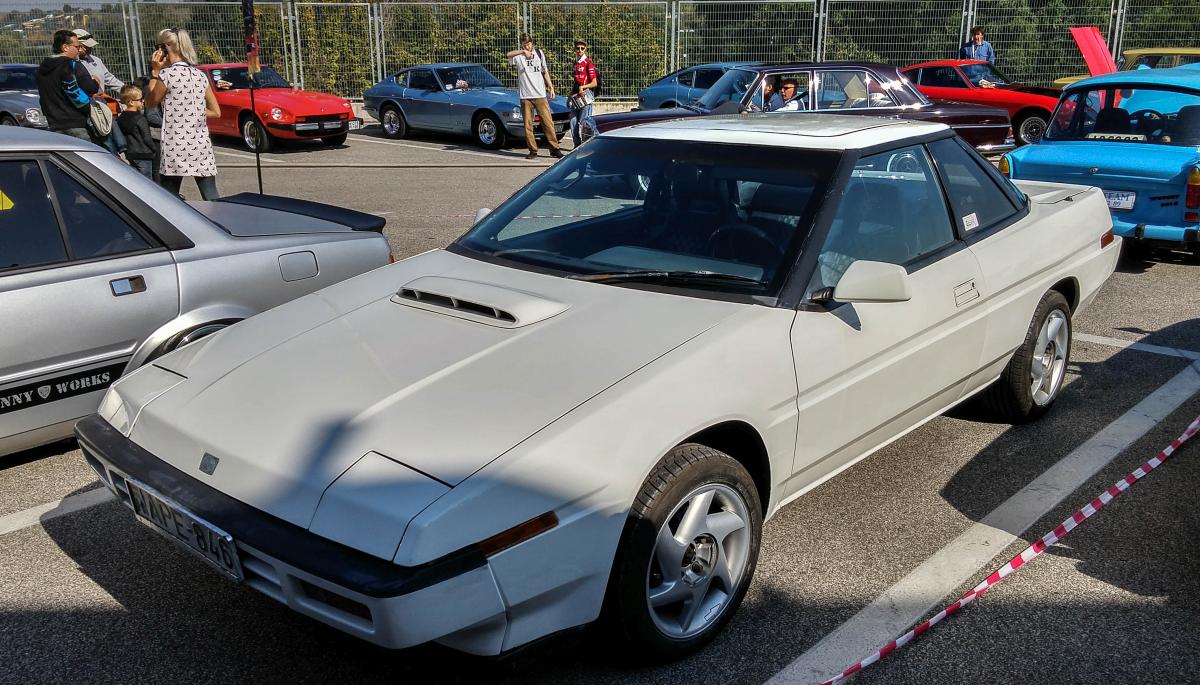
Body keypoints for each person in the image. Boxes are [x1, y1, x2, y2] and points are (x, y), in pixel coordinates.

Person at [144, 28, 221, 200]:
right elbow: (216, 112)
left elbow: (150, 103)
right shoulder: (200, 75)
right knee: (211, 194)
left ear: (165, 47)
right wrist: (191, 111)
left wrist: (155, 73)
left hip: (175, 143)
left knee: (169, 197)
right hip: (200, 143)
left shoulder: (166, 75)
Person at [35, 29, 99, 142]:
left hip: (54, 124)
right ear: (65, 47)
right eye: (77, 47)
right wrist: (95, 81)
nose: (79, 50)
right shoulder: (72, 64)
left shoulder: (43, 67)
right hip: (76, 123)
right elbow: (90, 88)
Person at [505, 34, 562, 159]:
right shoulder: (519, 57)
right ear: (521, 45)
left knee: (548, 123)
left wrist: (551, 87)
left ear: (532, 43)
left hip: (540, 94)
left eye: (529, 43)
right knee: (528, 125)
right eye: (525, 44)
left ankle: (555, 149)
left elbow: (545, 72)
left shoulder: (539, 53)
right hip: (525, 96)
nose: (527, 46)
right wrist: (522, 52)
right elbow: (508, 55)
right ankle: (533, 150)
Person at [118, 85, 157, 179]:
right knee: (147, 181)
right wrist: (155, 149)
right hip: (144, 154)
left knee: (136, 179)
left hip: (130, 153)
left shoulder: (121, 118)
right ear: (131, 102)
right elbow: (147, 138)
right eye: (140, 100)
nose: (143, 101)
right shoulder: (140, 119)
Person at [72, 28, 123, 93]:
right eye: (86, 46)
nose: (89, 49)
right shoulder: (68, 64)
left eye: (90, 46)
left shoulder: (96, 60)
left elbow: (110, 80)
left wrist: (128, 90)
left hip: (100, 98)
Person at [568, 39, 598, 147]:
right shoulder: (575, 63)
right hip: (575, 97)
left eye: (582, 48)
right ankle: (577, 146)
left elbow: (594, 83)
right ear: (575, 49)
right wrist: (570, 94)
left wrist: (583, 87)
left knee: (584, 123)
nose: (580, 50)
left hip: (585, 97)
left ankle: (586, 146)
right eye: (578, 48)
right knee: (573, 122)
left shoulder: (588, 63)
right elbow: (576, 81)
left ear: (585, 49)